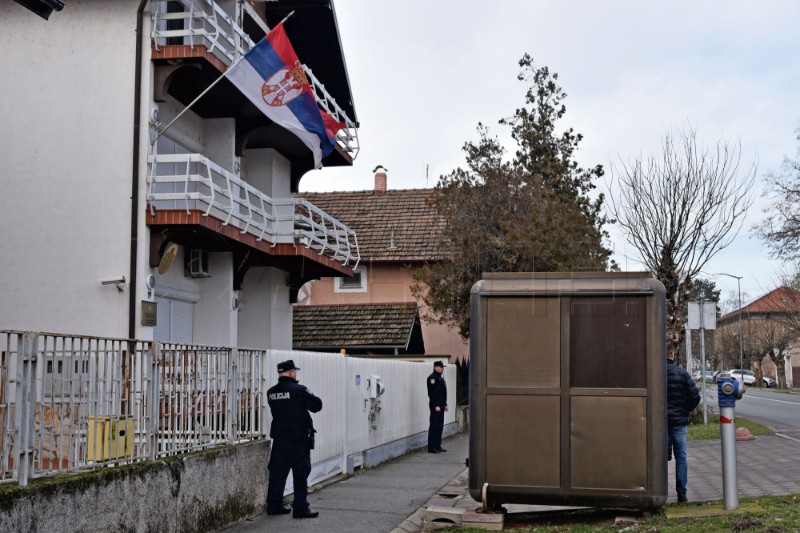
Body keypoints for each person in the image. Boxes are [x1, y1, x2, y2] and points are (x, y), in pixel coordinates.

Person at [266, 359, 323, 519]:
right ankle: (300, 508)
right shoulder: (298, 390)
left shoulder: (271, 392)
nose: (295, 373)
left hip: (279, 439)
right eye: (295, 371)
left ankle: (274, 505)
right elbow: (317, 405)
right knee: (300, 472)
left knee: (277, 472)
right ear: (291, 373)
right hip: (297, 440)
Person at [666, 350, 700, 503]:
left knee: (659, 457)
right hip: (679, 422)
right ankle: (682, 493)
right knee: (681, 456)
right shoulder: (682, 373)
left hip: (661, 422)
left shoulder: (655, 373)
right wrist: (684, 410)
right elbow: (695, 397)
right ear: (672, 354)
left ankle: (661, 491)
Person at [426, 360, 448, 453]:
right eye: (441, 367)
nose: (443, 368)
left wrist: (445, 404)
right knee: (434, 426)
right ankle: (431, 447)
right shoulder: (432, 378)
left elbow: (442, 393)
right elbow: (432, 394)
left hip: (441, 406)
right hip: (436, 406)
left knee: (439, 426)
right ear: (435, 367)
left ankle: (437, 445)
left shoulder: (440, 378)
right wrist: (436, 405)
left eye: (443, 367)